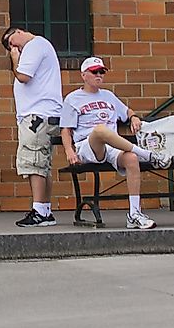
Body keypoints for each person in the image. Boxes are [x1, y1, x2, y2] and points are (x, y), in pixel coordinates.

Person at [61, 55, 167, 231]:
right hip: (87, 146)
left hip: (112, 147)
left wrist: (133, 117)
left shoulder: (109, 96)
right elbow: (65, 130)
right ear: (84, 75)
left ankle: (134, 213)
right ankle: (148, 155)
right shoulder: (73, 98)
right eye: (95, 72)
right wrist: (69, 152)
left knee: (131, 159)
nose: (99, 75)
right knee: (100, 130)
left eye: (102, 72)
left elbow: (127, 111)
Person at [4, 27, 64, 228]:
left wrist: (14, 59)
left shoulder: (34, 45)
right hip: (42, 113)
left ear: (20, 31)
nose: (13, 47)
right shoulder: (40, 46)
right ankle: (45, 210)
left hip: (37, 116)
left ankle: (39, 211)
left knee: (34, 162)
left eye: (12, 41)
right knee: (42, 165)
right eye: (9, 47)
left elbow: (23, 76)